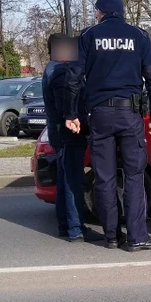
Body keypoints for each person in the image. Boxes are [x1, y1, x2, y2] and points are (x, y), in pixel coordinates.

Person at [65, 0, 151, 252]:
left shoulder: (87, 36)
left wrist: (71, 114)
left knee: (105, 177)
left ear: (101, 11)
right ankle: (136, 237)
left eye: (96, 11)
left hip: (99, 115)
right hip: (129, 114)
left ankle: (111, 236)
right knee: (133, 176)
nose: (95, 15)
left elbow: (74, 77)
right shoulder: (139, 36)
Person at [42, 33, 93, 242]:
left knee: (65, 179)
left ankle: (66, 224)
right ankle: (76, 228)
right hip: (69, 132)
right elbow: (67, 106)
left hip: (58, 133)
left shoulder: (50, 69)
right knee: (73, 180)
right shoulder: (62, 72)